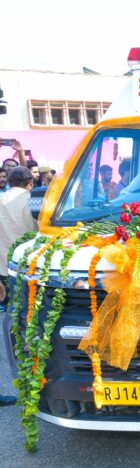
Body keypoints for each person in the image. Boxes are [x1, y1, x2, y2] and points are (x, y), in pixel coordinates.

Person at [0, 166, 38, 405]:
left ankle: (20, 344)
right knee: (33, 306)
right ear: (29, 184)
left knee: (14, 308)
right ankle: (32, 344)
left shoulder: (1, 200)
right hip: (33, 266)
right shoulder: (33, 202)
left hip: (5, 267)